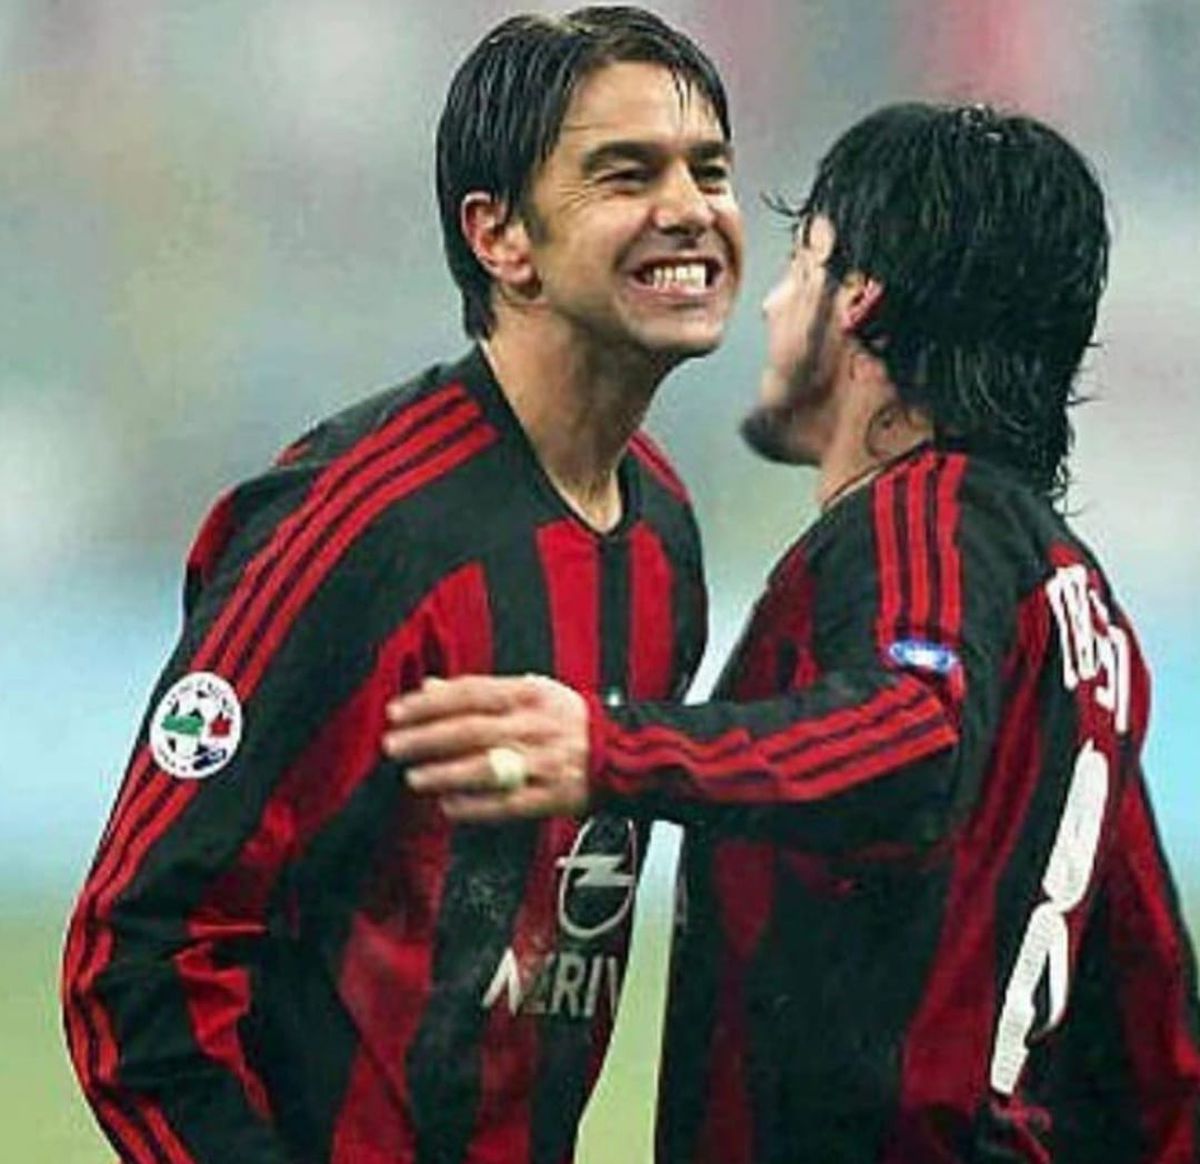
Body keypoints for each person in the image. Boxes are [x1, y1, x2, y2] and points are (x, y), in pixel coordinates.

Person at [383, 102, 1200, 1162]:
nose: (770, 304)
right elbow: (1155, 1041)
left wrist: (607, 746)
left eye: (801, 264)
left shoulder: (925, 518)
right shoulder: (1076, 607)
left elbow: (913, 736)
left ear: (861, 300)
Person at [61, 8, 744, 1162]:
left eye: (708, 170)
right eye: (628, 174)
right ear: (500, 236)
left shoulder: (662, 533)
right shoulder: (359, 527)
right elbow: (138, 949)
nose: (690, 208)